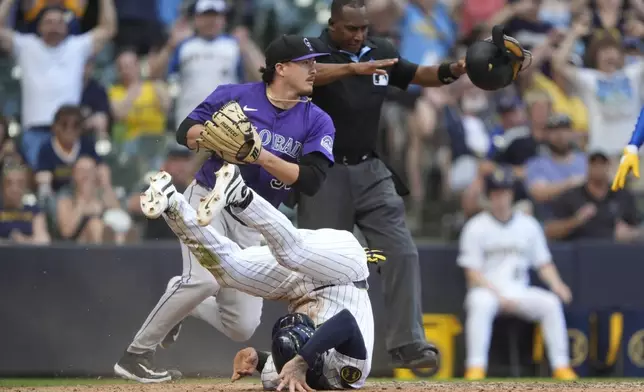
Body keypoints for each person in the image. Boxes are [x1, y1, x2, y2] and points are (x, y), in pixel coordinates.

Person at [114, 34, 336, 383]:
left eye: (314, 62)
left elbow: (309, 180)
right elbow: (185, 131)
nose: (314, 69)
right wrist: (212, 136)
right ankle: (136, 355)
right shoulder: (236, 95)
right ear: (280, 68)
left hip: (254, 219)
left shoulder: (317, 119)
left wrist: (258, 154)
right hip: (207, 199)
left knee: (241, 325)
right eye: (306, 63)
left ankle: (182, 308)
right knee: (202, 280)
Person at [295, 0, 467, 369]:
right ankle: (308, 349)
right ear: (333, 24)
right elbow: (302, 77)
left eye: (363, 29)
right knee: (321, 268)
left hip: (371, 169)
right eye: (350, 29)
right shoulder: (310, 50)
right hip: (323, 172)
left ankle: (408, 343)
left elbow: (417, 74)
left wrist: (455, 69)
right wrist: (352, 69)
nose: (358, 36)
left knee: (401, 251)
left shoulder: (382, 51)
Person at [134, 163, 374, 391]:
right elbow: (345, 323)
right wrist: (301, 360)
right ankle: (240, 194)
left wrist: (256, 359)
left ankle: (172, 204)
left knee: (229, 273)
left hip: (297, 289)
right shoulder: (346, 374)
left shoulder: (278, 377)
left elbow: (281, 358)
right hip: (345, 270)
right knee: (292, 252)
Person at [457, 168, 577, 381]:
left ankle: (561, 366)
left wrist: (558, 285)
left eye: (504, 193)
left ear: (512, 195)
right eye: (495, 194)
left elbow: (543, 263)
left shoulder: (528, 225)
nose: (500, 198)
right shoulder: (476, 226)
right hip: (487, 290)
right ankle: (475, 368)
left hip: (519, 289)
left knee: (550, 303)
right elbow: (472, 273)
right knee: (480, 304)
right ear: (489, 196)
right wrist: (499, 295)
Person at [0, 0, 116, 168]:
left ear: (67, 27)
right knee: (38, 184)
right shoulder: (26, 45)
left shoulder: (77, 47)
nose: (54, 26)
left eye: (59, 22)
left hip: (70, 131)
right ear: (39, 27)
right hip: (35, 132)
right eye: (49, 22)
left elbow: (109, 29)